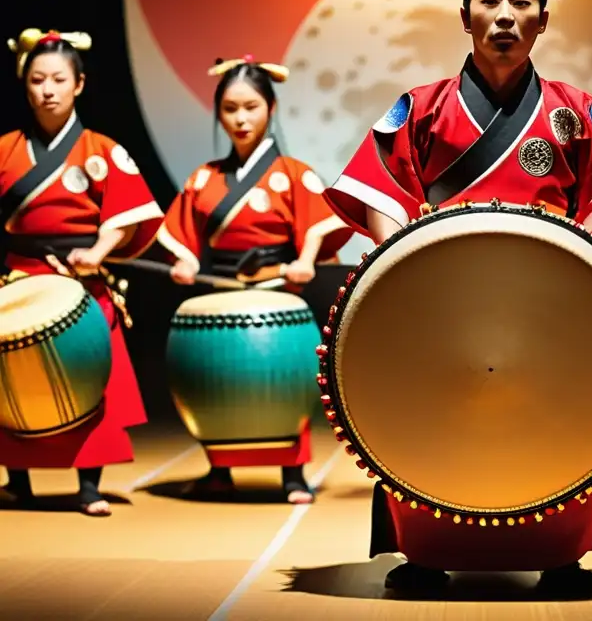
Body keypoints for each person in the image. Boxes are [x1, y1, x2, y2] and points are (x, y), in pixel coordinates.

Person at [323, 0, 592, 596]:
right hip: (445, 306)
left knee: (560, 419)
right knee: (434, 418)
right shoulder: (420, 106)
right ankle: (427, 554)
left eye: (521, 2)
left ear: (543, 18)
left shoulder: (575, 108)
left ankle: (561, 556)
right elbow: (380, 193)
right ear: (465, 15)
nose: (505, 16)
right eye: (490, 0)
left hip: (552, 307)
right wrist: (399, 281)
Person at [158, 55, 353, 504]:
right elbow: (181, 231)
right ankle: (219, 471)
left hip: (276, 288)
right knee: (217, 382)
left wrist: (304, 259)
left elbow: (319, 223)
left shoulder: (293, 174)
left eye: (251, 107)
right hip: (221, 289)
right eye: (230, 109)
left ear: (271, 108)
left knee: (284, 385)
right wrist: (186, 261)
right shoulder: (205, 177)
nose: (241, 118)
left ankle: (292, 474)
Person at [0, 28, 163, 516]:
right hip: (19, 278)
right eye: (37, 79)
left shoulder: (101, 149)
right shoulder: (6, 148)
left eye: (57, 79)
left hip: (81, 279)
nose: (47, 89)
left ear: (79, 84)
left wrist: (99, 250)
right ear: (24, 85)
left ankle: (89, 484)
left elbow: (129, 211)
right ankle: (18, 481)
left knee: (91, 377)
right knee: (12, 381)